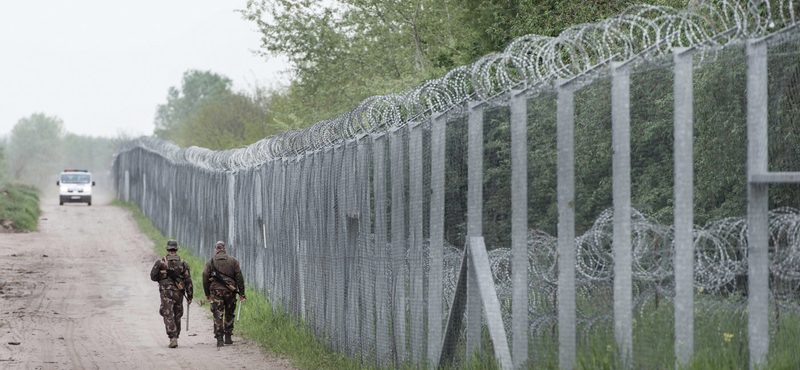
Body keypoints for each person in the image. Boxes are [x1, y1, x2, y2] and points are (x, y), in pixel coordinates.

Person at [150, 239, 193, 348]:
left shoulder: (161, 262)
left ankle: (172, 337)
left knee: (168, 313)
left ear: (167, 249)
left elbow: (153, 277)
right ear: (176, 249)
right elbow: (188, 281)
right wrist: (190, 295)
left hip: (165, 291)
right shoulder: (183, 263)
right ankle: (176, 335)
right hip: (179, 291)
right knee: (177, 313)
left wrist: (162, 277)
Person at [202, 241, 246, 347]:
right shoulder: (233, 261)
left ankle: (219, 339)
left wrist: (207, 293)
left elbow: (205, 277)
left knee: (218, 315)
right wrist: (242, 293)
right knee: (229, 314)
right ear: (225, 249)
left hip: (216, 292)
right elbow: (239, 278)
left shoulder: (210, 262)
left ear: (216, 250)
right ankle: (228, 337)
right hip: (230, 291)